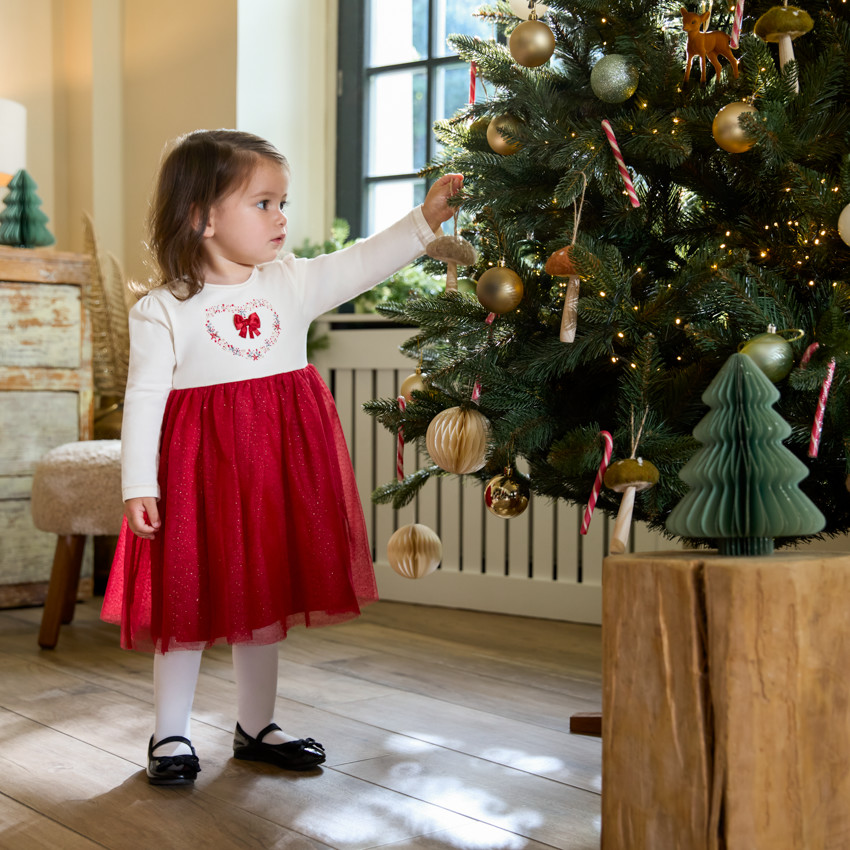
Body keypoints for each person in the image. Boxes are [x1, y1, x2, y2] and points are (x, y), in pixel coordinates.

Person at [101, 129, 461, 786]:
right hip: (196, 479)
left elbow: (362, 262)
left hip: (273, 475)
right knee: (187, 606)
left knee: (260, 601)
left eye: (282, 202)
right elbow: (144, 400)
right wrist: (138, 485)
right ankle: (171, 734)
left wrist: (424, 221)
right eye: (263, 203)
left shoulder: (289, 283)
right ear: (201, 217)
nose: (282, 218)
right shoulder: (164, 310)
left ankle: (256, 725)